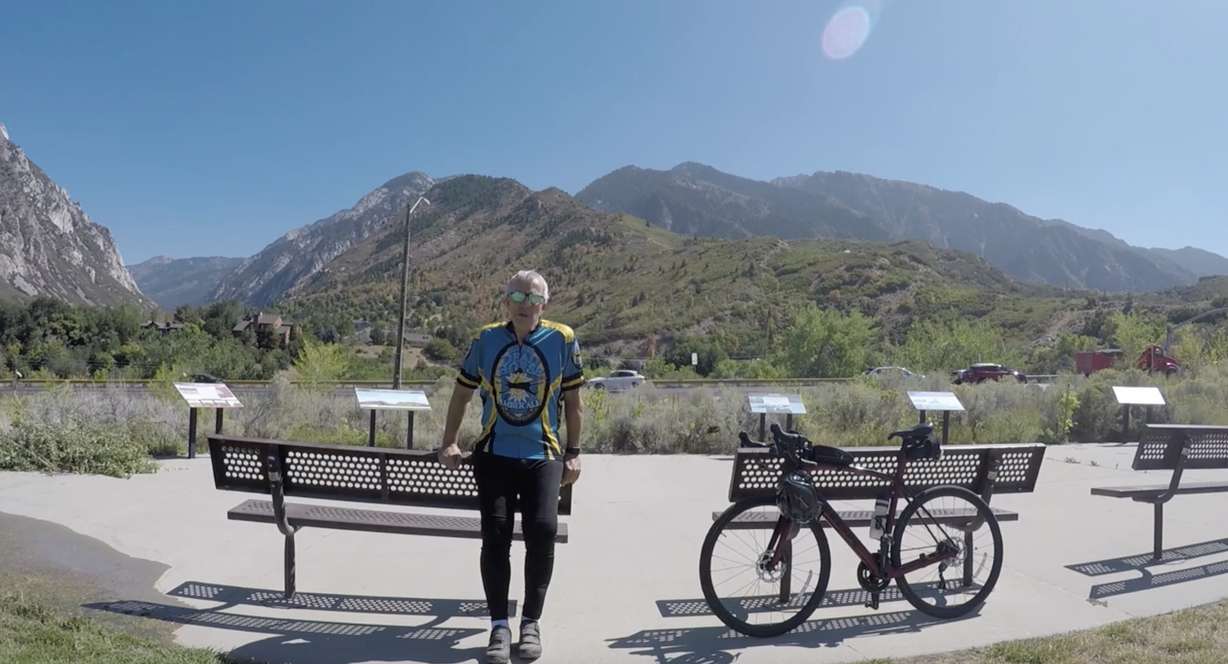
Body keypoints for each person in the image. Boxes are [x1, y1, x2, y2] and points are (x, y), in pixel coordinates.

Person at [438, 270, 584, 664]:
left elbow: (573, 403)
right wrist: (449, 440)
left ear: (544, 304)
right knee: (496, 536)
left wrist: (574, 450)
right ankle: (499, 625)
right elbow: (462, 393)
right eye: (516, 298)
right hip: (494, 454)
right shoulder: (486, 339)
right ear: (505, 302)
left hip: (543, 453)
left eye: (531, 298)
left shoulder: (562, 339)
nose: (523, 305)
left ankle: (531, 623)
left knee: (542, 531)